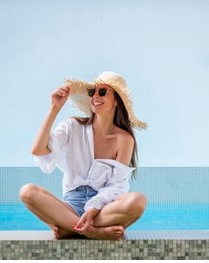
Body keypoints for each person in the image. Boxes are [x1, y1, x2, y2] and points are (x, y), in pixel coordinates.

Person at [20, 71, 148, 240]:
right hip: (71, 205)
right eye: (91, 92)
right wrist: (54, 108)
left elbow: (117, 186)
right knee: (27, 192)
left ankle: (69, 226)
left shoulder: (124, 139)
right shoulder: (72, 126)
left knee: (138, 201)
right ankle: (91, 232)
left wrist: (93, 208)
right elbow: (38, 150)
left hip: (103, 209)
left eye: (102, 92)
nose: (95, 96)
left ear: (117, 100)